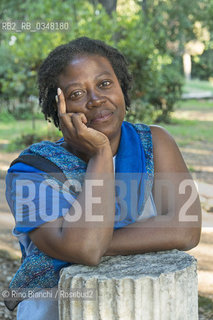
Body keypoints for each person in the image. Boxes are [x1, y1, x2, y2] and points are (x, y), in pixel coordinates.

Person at [5, 37, 201, 320]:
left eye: (105, 84)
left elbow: (186, 230)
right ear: (57, 108)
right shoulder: (32, 171)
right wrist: (100, 153)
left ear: (122, 87)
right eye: (76, 94)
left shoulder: (155, 143)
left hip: (144, 308)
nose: (96, 99)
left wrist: (85, 242)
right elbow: (85, 249)